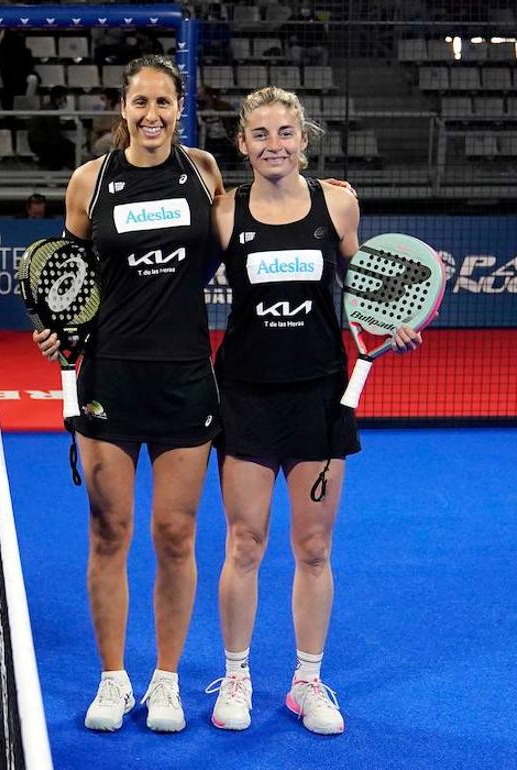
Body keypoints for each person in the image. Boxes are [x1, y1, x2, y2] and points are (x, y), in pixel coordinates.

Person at [205, 86, 419, 735]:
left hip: (319, 394)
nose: (274, 145)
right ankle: (236, 675)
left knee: (314, 545)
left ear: (304, 139)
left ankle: (307, 681)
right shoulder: (223, 211)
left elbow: (364, 280)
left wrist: (395, 316)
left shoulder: (338, 202)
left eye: (285, 133)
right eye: (260, 134)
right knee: (244, 543)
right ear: (242, 144)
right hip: (243, 394)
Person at [34, 54, 226, 734]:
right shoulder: (90, 181)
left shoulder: (203, 173)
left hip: (184, 378)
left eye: (163, 102)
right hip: (109, 377)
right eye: (139, 102)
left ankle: (167, 681)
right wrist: (57, 331)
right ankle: (113, 679)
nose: (151, 114)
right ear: (123, 107)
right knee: (109, 530)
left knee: (176, 534)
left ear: (180, 107)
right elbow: (66, 276)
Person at [28, 85, 77, 170]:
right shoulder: (51, 110)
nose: (65, 100)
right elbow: (54, 133)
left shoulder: (48, 107)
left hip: (39, 140)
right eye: (64, 97)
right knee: (68, 146)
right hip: (41, 142)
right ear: (59, 98)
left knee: (67, 145)